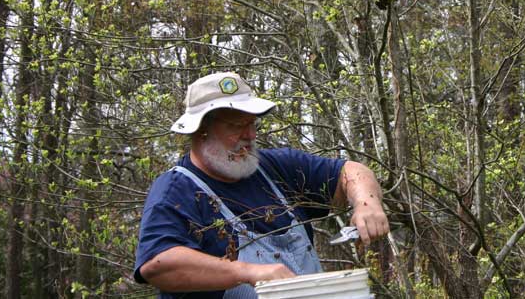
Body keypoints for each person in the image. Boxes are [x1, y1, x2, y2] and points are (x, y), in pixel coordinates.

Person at [134, 71, 389, 298]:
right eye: (236, 126)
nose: (251, 136)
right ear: (201, 131)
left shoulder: (275, 168)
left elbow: (351, 171)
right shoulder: (176, 191)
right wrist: (246, 271)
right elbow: (158, 263)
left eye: (252, 124)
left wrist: (367, 203)